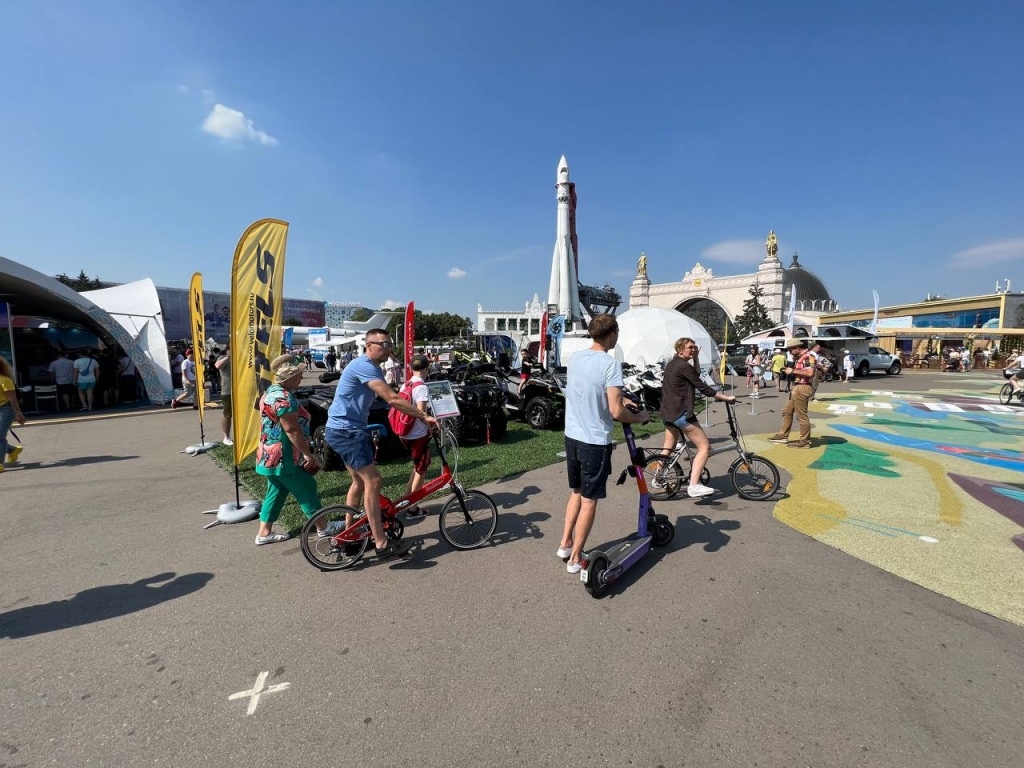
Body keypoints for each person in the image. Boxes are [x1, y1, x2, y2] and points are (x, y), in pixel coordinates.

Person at [324, 328, 438, 559]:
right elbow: (393, 399)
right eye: (384, 344)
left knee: (358, 482)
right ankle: (381, 543)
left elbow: (390, 396)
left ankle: (349, 535)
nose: (389, 348)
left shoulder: (371, 368)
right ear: (369, 345)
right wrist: (422, 415)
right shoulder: (364, 365)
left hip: (343, 429)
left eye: (390, 344)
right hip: (347, 431)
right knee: (373, 481)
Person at [557, 315, 650, 575]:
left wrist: (622, 402)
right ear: (612, 335)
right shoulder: (610, 364)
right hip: (594, 441)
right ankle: (575, 558)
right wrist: (640, 416)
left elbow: (590, 391)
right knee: (589, 500)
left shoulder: (576, 358)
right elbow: (616, 411)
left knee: (576, 491)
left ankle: (565, 544)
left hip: (573, 436)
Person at [253, 354, 329, 545]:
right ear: (287, 377)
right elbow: (291, 429)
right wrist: (306, 453)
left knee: (276, 491)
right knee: (306, 487)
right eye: (298, 374)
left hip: (268, 454)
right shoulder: (284, 398)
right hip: (284, 456)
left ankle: (264, 533)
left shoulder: (270, 392)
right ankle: (324, 527)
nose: (301, 378)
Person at [658, 338, 739, 498]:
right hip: (681, 413)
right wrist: (726, 398)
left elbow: (693, 375)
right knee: (704, 448)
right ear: (680, 350)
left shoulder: (673, 364)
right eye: (690, 348)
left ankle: (658, 476)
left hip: (668, 412)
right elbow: (703, 387)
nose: (693, 349)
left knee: (668, 447)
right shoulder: (682, 366)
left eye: (694, 347)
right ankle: (694, 485)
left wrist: (695, 359)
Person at [397, 354, 432, 517]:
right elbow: (422, 413)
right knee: (421, 470)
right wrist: (431, 425)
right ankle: (412, 509)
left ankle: (406, 499)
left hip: (404, 433)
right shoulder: (422, 387)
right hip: (417, 434)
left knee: (416, 467)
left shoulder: (406, 385)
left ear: (411, 369)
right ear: (426, 369)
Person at [768, 340, 820, 448]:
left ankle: (804, 441)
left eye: (791, 349)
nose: (790, 352)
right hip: (797, 387)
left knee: (801, 416)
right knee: (787, 411)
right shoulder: (801, 357)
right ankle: (783, 435)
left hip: (803, 387)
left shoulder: (808, 356)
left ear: (797, 348)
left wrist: (792, 371)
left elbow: (810, 373)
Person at [0, 356, 26, 471]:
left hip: (6, 409)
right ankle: (12, 450)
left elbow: (13, 398)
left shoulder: (5, 380)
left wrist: (18, 413)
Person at [215, 343, 233, 445]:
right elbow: (217, 366)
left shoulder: (242, 356)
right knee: (227, 414)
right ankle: (226, 437)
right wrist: (228, 357)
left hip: (241, 390)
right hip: (227, 390)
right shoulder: (223, 357)